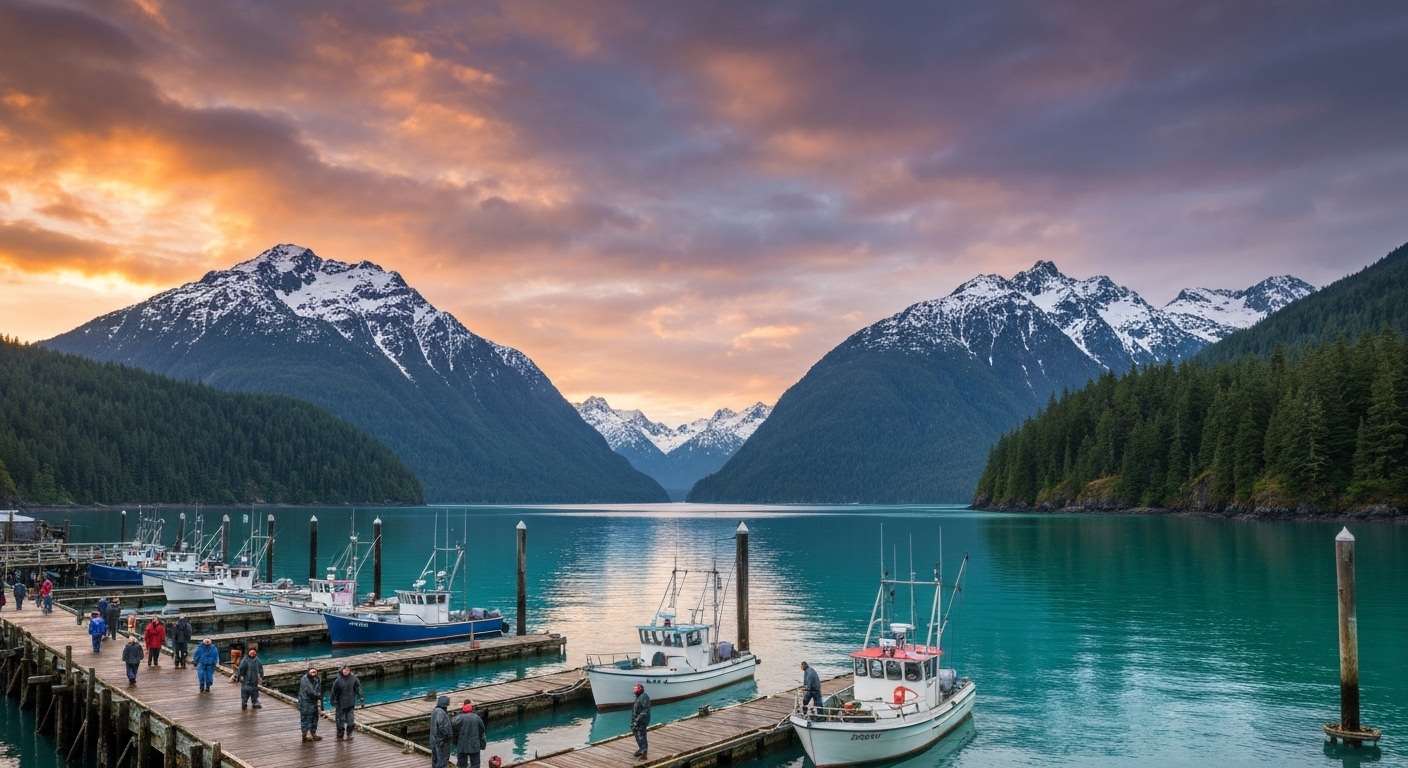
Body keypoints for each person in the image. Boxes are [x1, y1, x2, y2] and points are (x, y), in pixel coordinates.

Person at [330, 665, 362, 740]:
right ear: (341, 671)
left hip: (350, 703)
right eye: (344, 670)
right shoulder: (338, 680)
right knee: (340, 721)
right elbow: (333, 692)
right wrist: (333, 701)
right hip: (340, 704)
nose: (346, 671)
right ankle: (340, 735)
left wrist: (361, 698)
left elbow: (358, 687)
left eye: (347, 670)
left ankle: (349, 734)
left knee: (351, 722)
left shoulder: (353, 677)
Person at [452, 700, 486, 768]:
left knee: (461, 764)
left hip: (462, 745)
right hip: (474, 745)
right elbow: (482, 732)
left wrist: (455, 742)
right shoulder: (477, 718)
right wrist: (482, 745)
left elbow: (453, 732)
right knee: (475, 764)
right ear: (471, 709)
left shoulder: (457, 718)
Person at [298, 668, 324, 742]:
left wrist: (319, 700)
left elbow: (319, 689)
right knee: (306, 719)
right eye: (312, 671)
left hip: (314, 702)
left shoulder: (317, 679)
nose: (314, 673)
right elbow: (310, 691)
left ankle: (313, 734)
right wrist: (318, 696)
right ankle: (305, 735)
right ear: (308, 672)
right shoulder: (305, 679)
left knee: (314, 719)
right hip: (305, 702)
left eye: (315, 671)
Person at [429, 695, 454, 768]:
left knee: (435, 759)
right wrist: (449, 735)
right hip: (441, 741)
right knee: (442, 760)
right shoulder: (441, 713)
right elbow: (443, 727)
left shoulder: (434, 711)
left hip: (433, 739)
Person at [631, 683, 651, 758]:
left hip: (642, 720)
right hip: (637, 720)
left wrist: (637, 720)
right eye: (634, 689)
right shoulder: (639, 697)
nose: (634, 690)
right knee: (636, 732)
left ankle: (644, 749)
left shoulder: (643, 697)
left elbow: (645, 710)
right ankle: (641, 748)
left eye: (636, 689)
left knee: (641, 733)